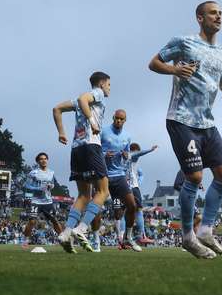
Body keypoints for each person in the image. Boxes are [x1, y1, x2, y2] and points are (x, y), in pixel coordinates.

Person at [149, 1, 222, 259]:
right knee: (195, 178)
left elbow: (221, 84)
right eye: (213, 13)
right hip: (181, 119)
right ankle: (188, 236)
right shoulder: (184, 42)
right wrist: (174, 69)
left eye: (221, 13)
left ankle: (206, 231)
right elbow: (154, 63)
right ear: (200, 18)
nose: (219, 16)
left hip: (207, 122)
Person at [52, 71, 111, 253]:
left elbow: (57, 109)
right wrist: (93, 123)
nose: (109, 88)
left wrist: (61, 132)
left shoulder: (76, 102)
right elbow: (84, 98)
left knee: (83, 195)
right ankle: (82, 228)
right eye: (109, 84)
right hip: (91, 146)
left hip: (76, 149)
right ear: (101, 84)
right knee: (103, 191)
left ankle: (66, 232)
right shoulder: (97, 93)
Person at [100, 110, 142, 252]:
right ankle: (91, 236)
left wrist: (125, 155)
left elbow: (127, 154)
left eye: (121, 119)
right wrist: (105, 154)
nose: (118, 121)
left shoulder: (127, 136)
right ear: (113, 118)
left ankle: (128, 238)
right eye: (116, 118)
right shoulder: (103, 132)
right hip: (103, 174)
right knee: (96, 207)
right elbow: (94, 151)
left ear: (125, 120)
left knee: (132, 206)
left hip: (119, 175)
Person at [21, 152, 62, 247]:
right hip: (35, 201)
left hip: (48, 201)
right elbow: (26, 186)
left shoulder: (51, 173)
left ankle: (63, 239)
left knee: (55, 220)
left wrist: (51, 186)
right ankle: (25, 240)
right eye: (41, 159)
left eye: (45, 159)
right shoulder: (33, 173)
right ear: (38, 161)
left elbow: (52, 184)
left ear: (47, 160)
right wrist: (35, 191)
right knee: (32, 221)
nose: (43, 160)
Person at [127, 143, 158, 245]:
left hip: (123, 187)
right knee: (138, 210)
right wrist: (150, 149)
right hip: (133, 187)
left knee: (124, 212)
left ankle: (123, 238)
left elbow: (140, 173)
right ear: (134, 150)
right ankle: (142, 236)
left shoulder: (123, 157)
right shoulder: (132, 156)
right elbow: (139, 154)